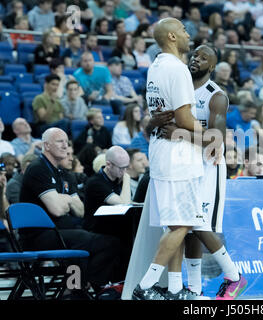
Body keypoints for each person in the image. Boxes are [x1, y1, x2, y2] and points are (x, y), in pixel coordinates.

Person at [129, 17, 209, 301]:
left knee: (176, 225)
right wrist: (208, 134)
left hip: (162, 152)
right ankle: (146, 285)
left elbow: (165, 115)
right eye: (184, 30)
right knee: (182, 225)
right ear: (172, 37)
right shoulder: (177, 69)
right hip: (178, 156)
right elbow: (185, 119)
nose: (189, 34)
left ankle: (175, 289)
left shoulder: (156, 67)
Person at [173, 44, 246, 299]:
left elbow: (216, 139)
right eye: (195, 55)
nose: (196, 59)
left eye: (204, 58)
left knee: (200, 223)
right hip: (183, 164)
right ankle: (194, 288)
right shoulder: (181, 91)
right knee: (189, 229)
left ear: (212, 66)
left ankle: (234, 276)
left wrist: (178, 132)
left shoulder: (216, 95)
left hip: (208, 166)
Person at [19, 128, 122, 294]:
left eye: (67, 142)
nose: (65, 146)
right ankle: (81, 289)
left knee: (110, 241)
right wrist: (67, 199)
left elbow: (80, 211)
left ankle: (80, 286)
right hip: (38, 236)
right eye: (60, 141)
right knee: (96, 242)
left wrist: (61, 198)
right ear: (46, 145)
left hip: (64, 232)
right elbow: (58, 210)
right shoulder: (38, 168)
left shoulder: (66, 174)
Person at [83, 146, 132, 279]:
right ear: (109, 164)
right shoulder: (96, 182)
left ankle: (124, 282)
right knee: (122, 242)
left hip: (114, 228)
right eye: (121, 168)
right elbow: (124, 203)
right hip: (97, 230)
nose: (125, 171)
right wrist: (127, 179)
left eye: (127, 167)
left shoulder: (117, 181)